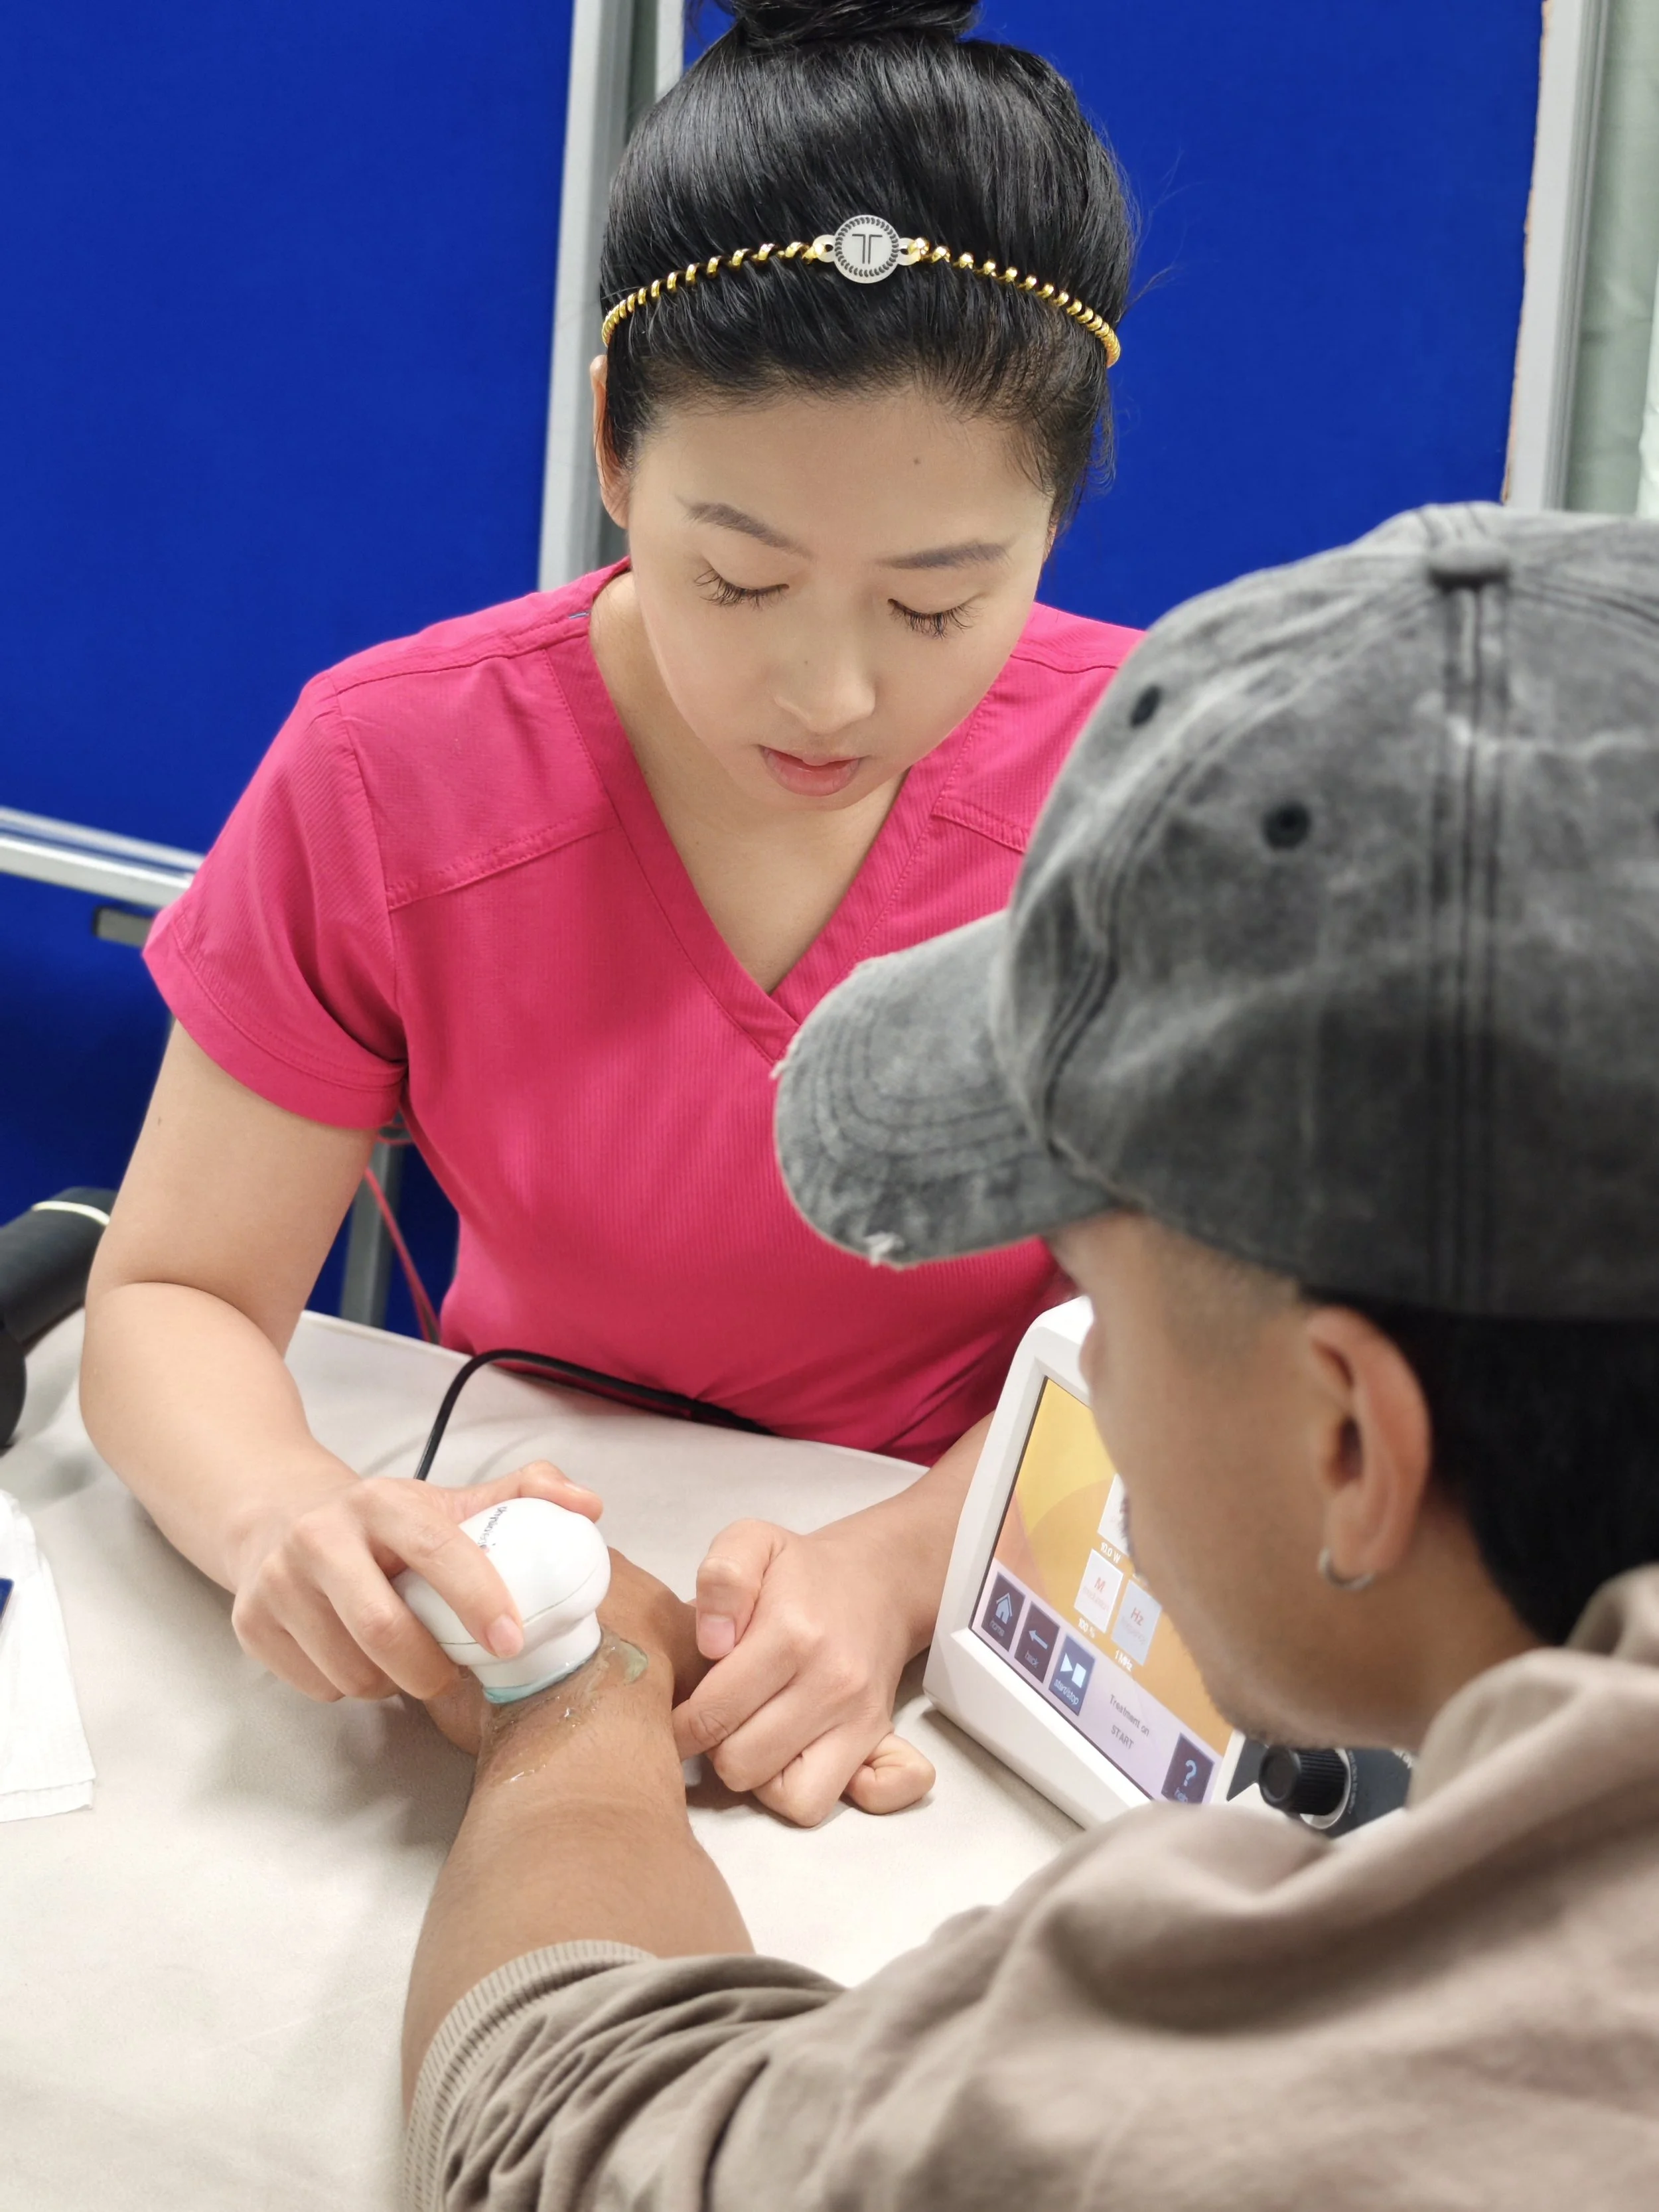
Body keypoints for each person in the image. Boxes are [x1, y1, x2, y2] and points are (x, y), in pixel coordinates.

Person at [397, 504, 1659, 2209]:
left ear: (1351, 1443)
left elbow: (581, 2136)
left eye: (1087, 1287)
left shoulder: (1242, 2079)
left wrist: (576, 1691)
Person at [78, 0, 1141, 1824]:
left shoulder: (1161, 795)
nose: (823, 692)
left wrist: (899, 1566)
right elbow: (170, 1292)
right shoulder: (392, 769)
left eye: (931, 607)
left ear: (1053, 519)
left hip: (997, 1614)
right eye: (737, 576)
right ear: (612, 447)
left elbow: (1233, 1356)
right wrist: (289, 1513)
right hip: (529, 1542)